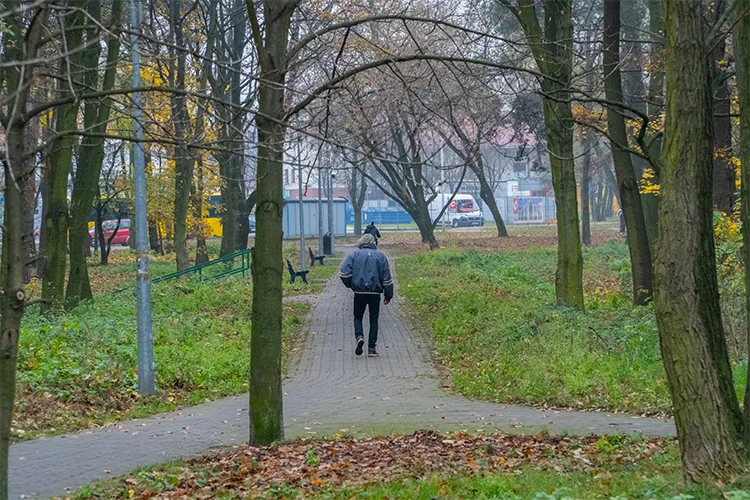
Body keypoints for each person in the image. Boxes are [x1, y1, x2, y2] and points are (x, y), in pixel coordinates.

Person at [339, 233, 393, 357]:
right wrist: (388, 294)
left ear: (361, 243)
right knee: (374, 320)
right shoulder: (381, 256)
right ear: (374, 243)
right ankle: (372, 349)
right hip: (375, 293)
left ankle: (359, 336)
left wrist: (351, 284)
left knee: (358, 317)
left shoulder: (354, 255)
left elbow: (344, 274)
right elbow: (386, 277)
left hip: (359, 292)